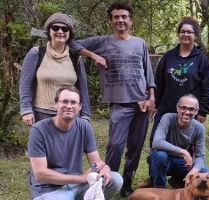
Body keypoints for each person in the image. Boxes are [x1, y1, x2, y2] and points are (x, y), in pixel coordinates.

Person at [69, 2, 156, 197]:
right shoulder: (103, 41)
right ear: (111, 21)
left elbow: (148, 72)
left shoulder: (139, 42)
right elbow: (73, 44)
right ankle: (109, 181)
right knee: (115, 145)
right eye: (116, 17)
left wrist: (151, 97)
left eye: (124, 17)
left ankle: (127, 183)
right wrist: (92, 55)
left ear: (131, 21)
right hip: (119, 105)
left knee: (135, 147)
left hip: (142, 105)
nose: (120, 20)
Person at [28, 86, 122, 200]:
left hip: (77, 186)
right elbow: (40, 174)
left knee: (115, 180)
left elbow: (96, 161)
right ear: (56, 104)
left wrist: (105, 167)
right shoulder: (39, 130)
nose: (69, 106)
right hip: (50, 190)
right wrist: (82, 179)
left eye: (73, 102)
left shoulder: (84, 126)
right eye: (64, 101)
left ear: (80, 106)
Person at [150, 16, 209, 147]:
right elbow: (159, 82)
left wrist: (203, 111)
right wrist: (155, 105)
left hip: (189, 113)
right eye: (183, 31)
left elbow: (207, 87)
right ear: (179, 34)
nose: (186, 34)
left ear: (195, 36)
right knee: (157, 145)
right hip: (166, 110)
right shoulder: (168, 57)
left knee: (186, 148)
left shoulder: (201, 59)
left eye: (189, 32)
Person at [19, 13, 91, 126]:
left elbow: (83, 87)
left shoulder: (75, 57)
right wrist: (26, 110)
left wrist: (85, 115)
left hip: (70, 115)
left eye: (65, 29)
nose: (60, 31)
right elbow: (25, 84)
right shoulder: (37, 53)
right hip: (41, 115)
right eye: (55, 27)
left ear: (69, 33)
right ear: (49, 31)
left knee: (70, 144)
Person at [149, 94, 209, 188]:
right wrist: (183, 152)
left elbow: (200, 156)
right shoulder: (168, 118)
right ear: (177, 108)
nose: (187, 112)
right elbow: (157, 142)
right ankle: (159, 188)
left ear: (196, 111)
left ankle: (178, 181)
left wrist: (194, 170)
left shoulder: (199, 128)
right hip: (160, 161)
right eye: (183, 108)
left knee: (207, 172)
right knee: (161, 156)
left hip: (181, 163)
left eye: (191, 109)